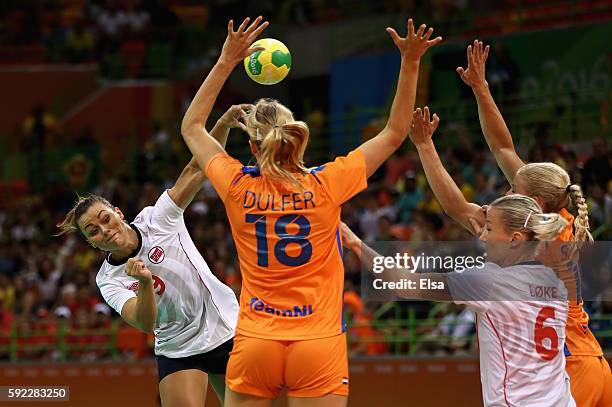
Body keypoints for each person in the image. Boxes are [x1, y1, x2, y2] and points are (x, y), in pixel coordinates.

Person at [180, 16, 441, 407]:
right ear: (297, 140)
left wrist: (226, 60)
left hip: (256, 341)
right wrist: (411, 61)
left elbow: (191, 127)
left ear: (253, 146)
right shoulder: (327, 183)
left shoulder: (236, 185)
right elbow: (394, 132)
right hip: (317, 341)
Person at [56, 105, 251, 407]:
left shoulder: (157, 219)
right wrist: (144, 283)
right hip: (177, 347)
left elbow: (197, 168)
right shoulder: (108, 279)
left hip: (224, 325)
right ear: (92, 244)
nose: (104, 230)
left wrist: (223, 124)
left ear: (118, 213)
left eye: (105, 219)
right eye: (93, 231)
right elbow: (145, 322)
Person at [456, 40, 612, 406]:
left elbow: (466, 211)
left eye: (514, 188)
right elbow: (504, 150)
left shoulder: (535, 233)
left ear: (536, 202)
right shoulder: (560, 218)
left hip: (568, 365)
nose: (509, 190)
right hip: (592, 360)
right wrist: (481, 89)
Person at [341, 194, 577, 406]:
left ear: (515, 239)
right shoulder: (555, 278)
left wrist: (355, 243)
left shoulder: (488, 281)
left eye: (489, 229)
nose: (481, 236)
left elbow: (405, 284)